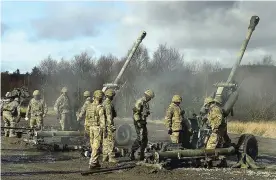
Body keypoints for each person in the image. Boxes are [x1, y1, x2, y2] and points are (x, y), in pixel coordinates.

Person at [130, 89, 155, 161]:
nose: (150, 99)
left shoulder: (146, 103)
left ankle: (142, 155)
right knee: (140, 138)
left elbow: (144, 112)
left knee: (145, 139)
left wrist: (147, 113)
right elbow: (135, 112)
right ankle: (132, 152)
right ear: (147, 96)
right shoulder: (140, 102)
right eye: (150, 97)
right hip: (139, 121)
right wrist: (138, 121)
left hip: (143, 122)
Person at [85, 90, 106, 169]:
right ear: (100, 98)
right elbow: (102, 120)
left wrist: (86, 128)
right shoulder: (100, 107)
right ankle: (93, 162)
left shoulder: (89, 106)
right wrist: (104, 131)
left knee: (93, 145)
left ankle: (96, 162)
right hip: (97, 128)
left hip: (90, 128)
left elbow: (86, 119)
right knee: (97, 146)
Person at [102, 89, 118, 163]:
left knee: (105, 141)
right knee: (111, 140)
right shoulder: (108, 104)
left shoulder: (103, 103)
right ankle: (111, 157)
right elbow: (109, 116)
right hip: (108, 125)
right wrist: (111, 125)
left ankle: (105, 157)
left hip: (103, 125)